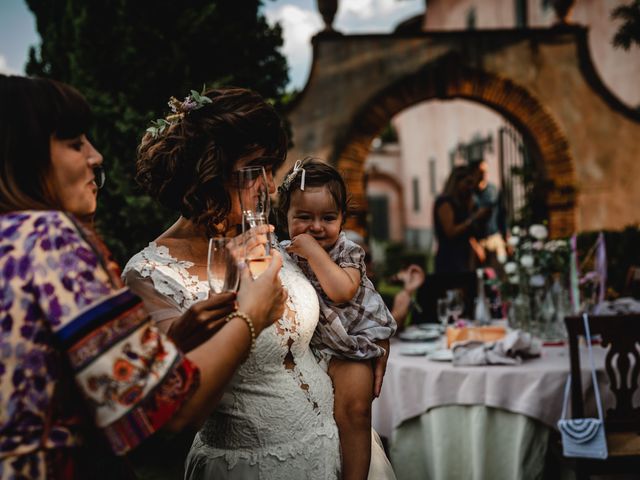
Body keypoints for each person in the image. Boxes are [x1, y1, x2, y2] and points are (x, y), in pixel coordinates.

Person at [0, 75, 285, 479]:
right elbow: (166, 415)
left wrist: (172, 344)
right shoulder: (49, 240)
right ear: (25, 155)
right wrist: (252, 314)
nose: (96, 156)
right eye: (75, 142)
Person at [123, 89, 393, 479]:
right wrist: (240, 305)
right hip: (252, 466)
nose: (268, 185)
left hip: (342, 447)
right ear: (209, 171)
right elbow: (181, 413)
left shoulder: (270, 239)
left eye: (271, 168)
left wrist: (373, 337)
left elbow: (343, 293)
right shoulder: (150, 276)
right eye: (255, 168)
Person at [277, 159, 397, 480]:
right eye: (303, 217)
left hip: (354, 342)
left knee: (355, 411)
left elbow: (342, 291)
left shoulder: (347, 251)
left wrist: (314, 253)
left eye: (328, 218)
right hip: (315, 348)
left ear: (342, 220)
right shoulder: (282, 254)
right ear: (284, 218)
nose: (316, 227)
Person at [433, 165, 488, 273]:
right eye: (467, 182)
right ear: (457, 182)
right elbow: (450, 232)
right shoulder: (445, 202)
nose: (470, 187)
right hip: (449, 258)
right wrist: (473, 218)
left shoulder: (465, 203)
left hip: (465, 258)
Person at [470, 159, 507, 269]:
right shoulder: (469, 193)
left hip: (494, 237)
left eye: (485, 171)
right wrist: (475, 245)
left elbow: (502, 214)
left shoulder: (493, 190)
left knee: (498, 273)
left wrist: (505, 237)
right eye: (480, 171)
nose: (483, 174)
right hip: (477, 240)